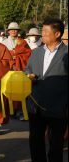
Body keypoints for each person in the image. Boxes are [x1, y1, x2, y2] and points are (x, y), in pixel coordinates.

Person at [25, 18, 68, 162]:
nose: (41, 34)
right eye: (42, 31)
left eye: (45, 31)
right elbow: (27, 70)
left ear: (57, 34)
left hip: (58, 107)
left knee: (56, 145)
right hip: (35, 105)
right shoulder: (36, 52)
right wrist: (28, 76)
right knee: (35, 142)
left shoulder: (66, 54)